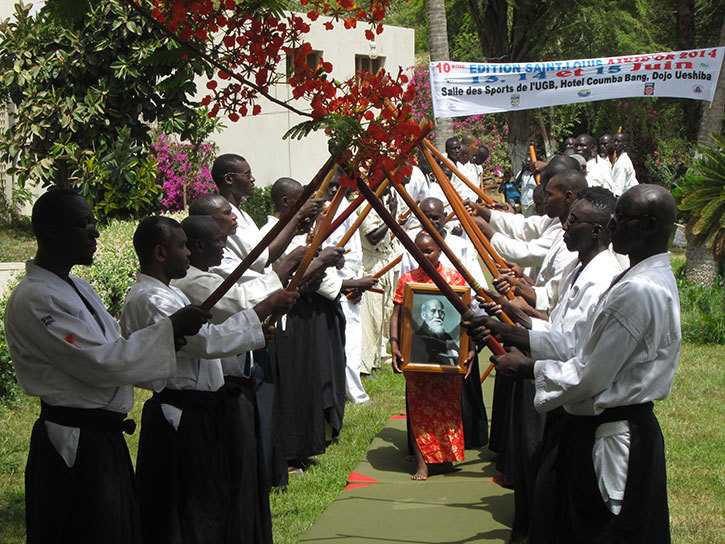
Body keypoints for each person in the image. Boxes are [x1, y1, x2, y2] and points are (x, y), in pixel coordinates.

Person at [466, 184, 680, 543]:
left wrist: (528, 368)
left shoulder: (639, 290)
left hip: (611, 435)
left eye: (620, 219)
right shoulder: (636, 278)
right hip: (597, 428)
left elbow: (591, 372)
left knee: (601, 531)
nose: (612, 227)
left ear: (648, 225)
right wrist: (510, 331)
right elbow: (580, 342)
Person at [4, 190, 209, 543]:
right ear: (52, 232)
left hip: (102, 439)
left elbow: (112, 347)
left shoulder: (77, 286)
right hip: (74, 442)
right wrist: (169, 329)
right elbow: (98, 362)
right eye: (85, 223)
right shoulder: (35, 298)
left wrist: (166, 336)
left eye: (94, 222)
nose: (95, 232)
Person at [120, 216, 298, 543]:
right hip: (180, 415)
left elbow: (208, 339)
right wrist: (264, 308)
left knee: (210, 506)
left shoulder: (169, 293)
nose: (188, 253)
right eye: (182, 246)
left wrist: (256, 330)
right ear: (160, 252)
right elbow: (206, 342)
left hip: (202, 411)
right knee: (187, 510)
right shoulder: (150, 299)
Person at [479, 187, 622, 540]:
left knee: (558, 495)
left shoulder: (602, 277)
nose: (564, 227)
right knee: (545, 488)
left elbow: (574, 346)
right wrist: (510, 318)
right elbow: (555, 314)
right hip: (562, 389)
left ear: (598, 230)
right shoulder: (581, 265)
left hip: (579, 399)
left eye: (574, 221)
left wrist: (517, 341)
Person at [390, 232, 475, 480]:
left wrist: (469, 349)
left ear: (439, 251)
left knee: (448, 409)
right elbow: (396, 315)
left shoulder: (454, 278)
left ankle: (444, 458)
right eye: (418, 251)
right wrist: (394, 343)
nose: (423, 256)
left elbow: (465, 318)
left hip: (447, 363)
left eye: (428, 251)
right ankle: (423, 463)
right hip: (415, 356)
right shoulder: (407, 279)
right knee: (419, 411)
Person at [359, 185, 400, 375]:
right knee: (371, 316)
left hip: (384, 261)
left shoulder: (382, 201)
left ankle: (374, 360)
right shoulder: (366, 204)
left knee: (382, 315)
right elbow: (373, 237)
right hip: (372, 264)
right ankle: (365, 366)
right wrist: (391, 215)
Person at [410, 298, 459, 365]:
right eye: (433, 311)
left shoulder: (447, 336)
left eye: (440, 312)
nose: (438, 316)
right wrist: (446, 346)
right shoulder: (415, 337)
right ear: (423, 315)